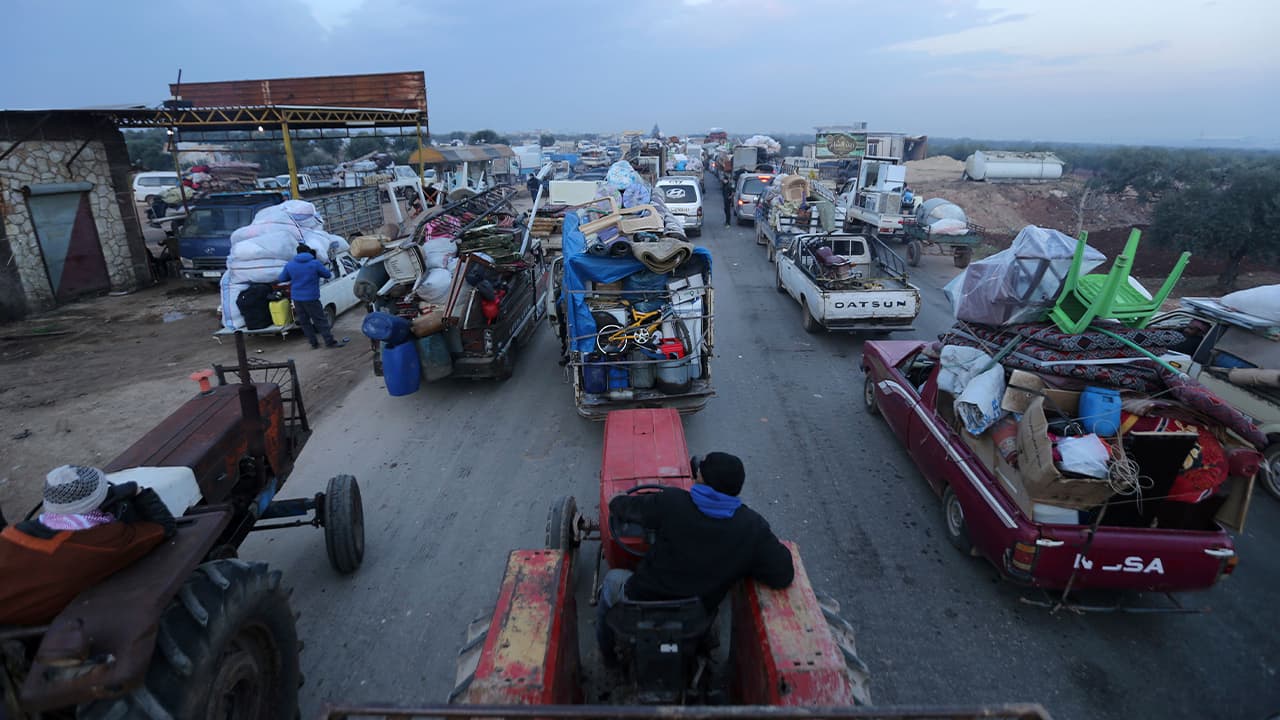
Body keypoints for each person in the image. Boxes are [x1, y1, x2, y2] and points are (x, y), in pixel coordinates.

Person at [597, 452, 793, 664]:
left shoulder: (671, 502)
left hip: (640, 602)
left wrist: (615, 500)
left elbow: (625, 508)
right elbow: (783, 573)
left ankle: (608, 656)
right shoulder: (751, 527)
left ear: (702, 480)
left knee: (611, 580)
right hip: (695, 616)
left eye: (699, 472)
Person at [0, 465, 176, 626]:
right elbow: (164, 527)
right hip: (19, 622)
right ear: (101, 497)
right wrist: (138, 492)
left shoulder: (12, 533)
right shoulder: (106, 541)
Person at [279, 244, 344, 349]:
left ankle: (313, 343)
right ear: (308, 252)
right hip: (311, 298)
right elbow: (327, 275)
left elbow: (282, 278)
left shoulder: (290, 265)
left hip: (297, 299)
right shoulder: (315, 263)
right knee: (320, 320)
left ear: (297, 253)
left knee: (304, 322)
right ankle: (329, 342)